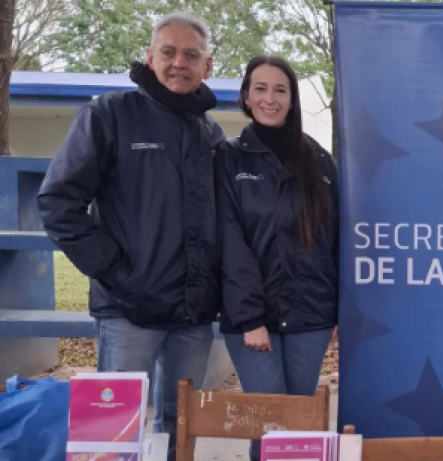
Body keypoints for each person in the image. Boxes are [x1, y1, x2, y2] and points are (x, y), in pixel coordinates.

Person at [37, 11, 224, 461]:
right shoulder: (110, 114)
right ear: (150, 56)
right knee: (112, 432)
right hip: (127, 311)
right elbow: (58, 202)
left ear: (207, 66)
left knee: (182, 427)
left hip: (193, 313)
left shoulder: (211, 133)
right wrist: (117, 271)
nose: (179, 63)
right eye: (169, 52)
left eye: (191, 55)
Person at [215, 55, 339, 461]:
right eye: (261, 89)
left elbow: (334, 238)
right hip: (254, 320)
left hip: (310, 316)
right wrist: (250, 318)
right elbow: (228, 241)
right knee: (268, 423)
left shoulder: (318, 161)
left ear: (292, 99)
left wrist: (337, 309)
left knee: (298, 426)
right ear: (247, 97)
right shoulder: (227, 158)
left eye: (280, 90)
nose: (271, 98)